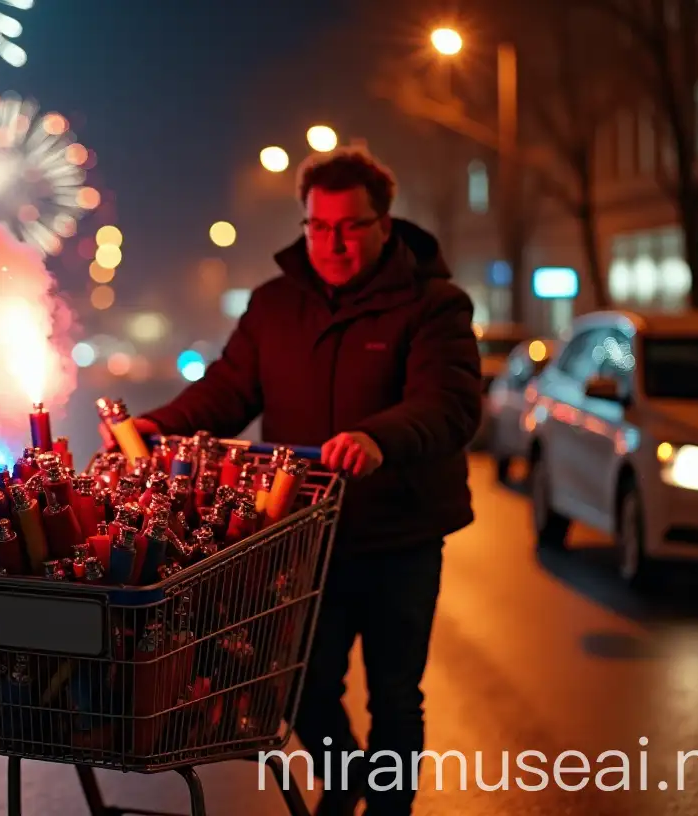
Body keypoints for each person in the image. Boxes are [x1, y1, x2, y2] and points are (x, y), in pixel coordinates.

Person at [103, 148, 481, 815]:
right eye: (317, 226)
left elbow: (446, 404)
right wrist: (157, 427)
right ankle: (347, 781)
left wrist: (376, 438)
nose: (332, 242)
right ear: (304, 223)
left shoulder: (435, 304)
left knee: (395, 693)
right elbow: (228, 390)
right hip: (304, 534)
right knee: (304, 688)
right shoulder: (276, 304)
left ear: (384, 225)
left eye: (350, 226)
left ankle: (388, 809)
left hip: (401, 531)